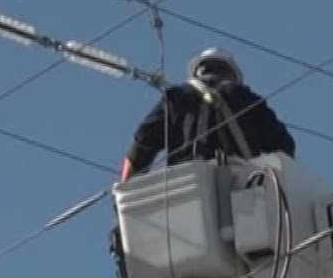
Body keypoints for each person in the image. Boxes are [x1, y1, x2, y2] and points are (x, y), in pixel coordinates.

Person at [119, 47, 296, 181]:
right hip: (245, 184)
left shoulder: (177, 97)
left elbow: (142, 143)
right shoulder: (249, 100)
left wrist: (124, 199)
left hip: (188, 186)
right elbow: (284, 148)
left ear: (197, 72)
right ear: (233, 75)